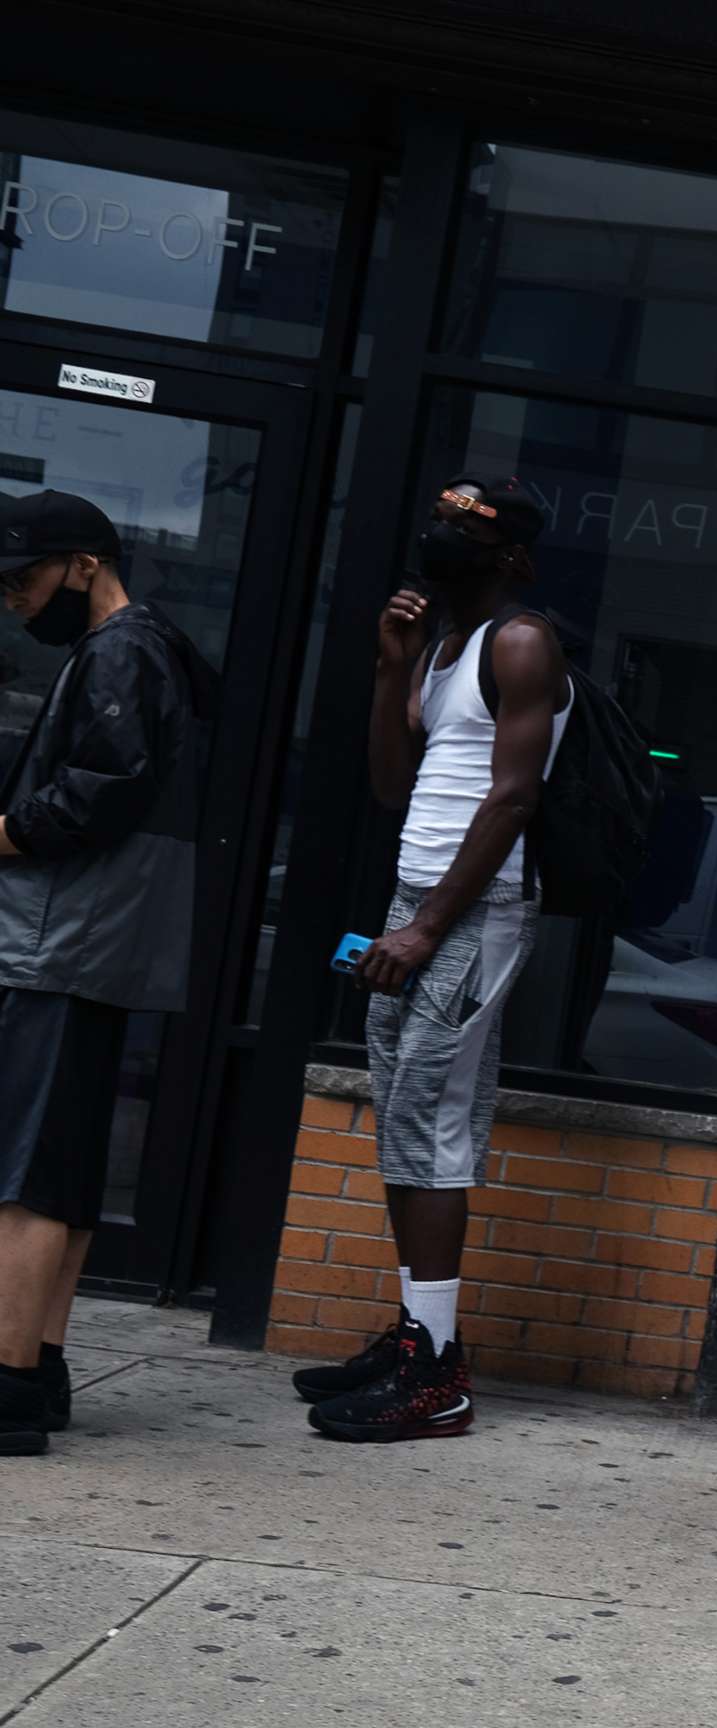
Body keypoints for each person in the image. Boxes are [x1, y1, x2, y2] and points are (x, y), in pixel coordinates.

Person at [294, 476, 571, 1442]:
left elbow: (512, 801)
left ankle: (436, 1377)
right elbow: (389, 787)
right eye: (443, 521)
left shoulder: (522, 642)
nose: (443, 538)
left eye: (468, 530)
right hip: (417, 900)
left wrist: (425, 932)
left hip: (474, 909)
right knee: (404, 1121)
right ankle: (420, 1334)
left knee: (433, 1122)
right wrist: (390, 672)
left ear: (512, 558)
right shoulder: (445, 648)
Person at [0, 490, 211, 1457]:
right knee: (65, 1172)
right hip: (92, 940)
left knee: (26, 1178)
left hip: (64, 936)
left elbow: (106, 785)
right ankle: (36, 1372)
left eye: (26, 579)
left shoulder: (122, 649)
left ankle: (7, 1387)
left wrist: (7, 831)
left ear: (85, 564)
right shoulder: (144, 646)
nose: (16, 602)